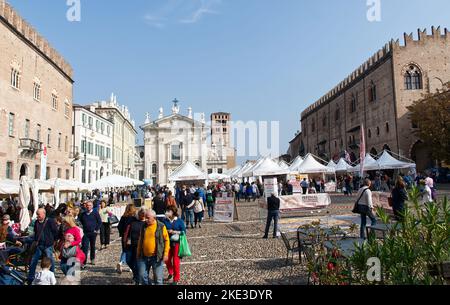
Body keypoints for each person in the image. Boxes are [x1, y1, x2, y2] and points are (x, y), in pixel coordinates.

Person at [136, 209, 170, 285]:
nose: (146, 219)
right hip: (143, 256)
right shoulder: (143, 226)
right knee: (142, 276)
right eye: (145, 217)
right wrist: (138, 252)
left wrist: (165, 253)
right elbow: (140, 239)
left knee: (158, 279)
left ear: (154, 217)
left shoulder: (161, 226)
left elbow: (167, 240)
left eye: (148, 218)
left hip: (156, 257)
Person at [27, 208, 58, 285]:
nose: (37, 216)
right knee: (33, 260)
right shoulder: (36, 222)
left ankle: (51, 276)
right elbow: (36, 232)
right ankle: (30, 278)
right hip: (39, 245)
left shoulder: (50, 221)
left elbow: (55, 232)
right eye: (37, 214)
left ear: (44, 214)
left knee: (50, 260)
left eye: (38, 214)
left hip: (48, 245)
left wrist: (54, 241)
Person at [163, 205, 186, 285]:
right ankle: (171, 272)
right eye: (167, 211)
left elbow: (184, 232)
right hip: (167, 243)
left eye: (168, 211)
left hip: (177, 243)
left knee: (176, 262)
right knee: (166, 259)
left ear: (173, 212)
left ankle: (176, 279)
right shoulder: (164, 220)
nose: (167, 212)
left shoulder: (179, 221)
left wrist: (174, 232)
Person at [124, 207, 146, 284]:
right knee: (128, 260)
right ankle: (136, 275)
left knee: (137, 263)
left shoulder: (147, 223)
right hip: (130, 245)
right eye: (141, 213)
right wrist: (125, 243)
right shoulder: (133, 222)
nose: (142, 215)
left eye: (144, 213)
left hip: (140, 247)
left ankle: (137, 278)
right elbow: (127, 233)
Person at [79, 201, 102, 266]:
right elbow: (79, 222)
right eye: (87, 205)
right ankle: (84, 262)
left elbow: (99, 222)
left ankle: (92, 259)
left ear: (92, 206)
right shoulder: (83, 214)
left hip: (93, 233)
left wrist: (96, 229)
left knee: (92, 246)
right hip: (85, 233)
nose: (88, 206)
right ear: (85, 206)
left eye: (90, 205)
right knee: (85, 247)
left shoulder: (95, 213)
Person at [117, 204, 137, 274]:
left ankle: (121, 262)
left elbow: (119, 226)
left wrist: (122, 233)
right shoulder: (134, 218)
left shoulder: (123, 217)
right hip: (132, 237)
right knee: (131, 252)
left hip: (124, 237)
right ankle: (128, 265)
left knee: (125, 250)